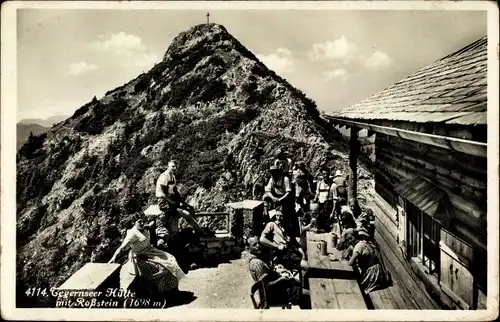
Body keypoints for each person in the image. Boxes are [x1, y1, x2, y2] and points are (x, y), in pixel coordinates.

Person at [109, 213, 186, 296]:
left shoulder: (144, 228)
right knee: (162, 268)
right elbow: (122, 248)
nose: (142, 223)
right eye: (140, 222)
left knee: (171, 259)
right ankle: (162, 291)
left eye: (143, 221)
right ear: (134, 222)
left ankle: (171, 288)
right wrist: (114, 257)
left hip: (150, 251)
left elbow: (151, 228)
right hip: (140, 256)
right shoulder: (132, 234)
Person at [247, 236, 310, 308]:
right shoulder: (257, 263)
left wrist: (278, 270)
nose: (258, 246)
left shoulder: (255, 258)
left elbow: (266, 277)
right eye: (254, 245)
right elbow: (265, 285)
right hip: (272, 295)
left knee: (298, 283)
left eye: (258, 243)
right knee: (308, 293)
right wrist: (281, 279)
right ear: (248, 248)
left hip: (273, 290)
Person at [156, 160, 206, 236]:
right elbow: (165, 194)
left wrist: (185, 203)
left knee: (190, 209)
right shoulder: (164, 176)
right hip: (164, 202)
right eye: (173, 166)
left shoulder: (172, 177)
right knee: (187, 214)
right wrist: (176, 203)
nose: (174, 168)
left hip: (171, 200)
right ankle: (201, 232)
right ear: (168, 166)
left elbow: (175, 192)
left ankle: (197, 230)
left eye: (176, 166)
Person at [348, 228, 386, 294]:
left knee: (356, 288)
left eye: (350, 238)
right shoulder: (366, 243)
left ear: (356, 237)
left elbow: (350, 263)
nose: (349, 241)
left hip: (372, 273)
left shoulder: (359, 246)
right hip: (377, 270)